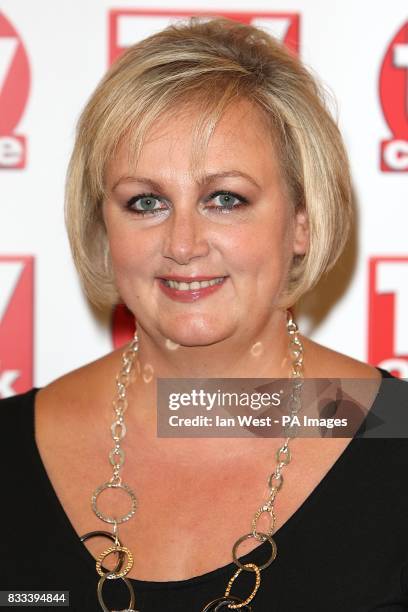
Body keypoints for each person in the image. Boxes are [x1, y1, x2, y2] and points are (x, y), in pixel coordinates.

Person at [2, 17, 408, 612]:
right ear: (103, 227)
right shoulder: (10, 449)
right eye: (146, 202)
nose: (183, 243)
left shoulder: (395, 432)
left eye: (226, 198)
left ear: (302, 220)